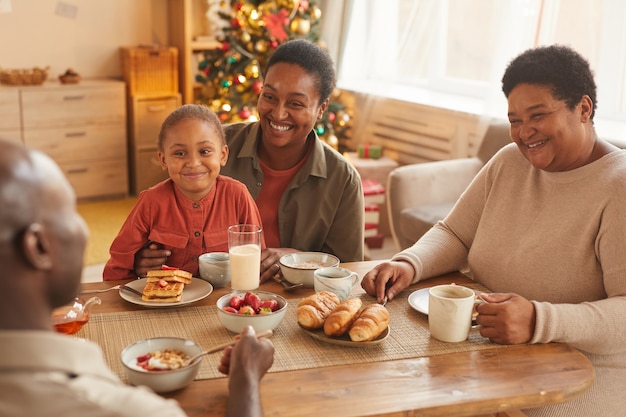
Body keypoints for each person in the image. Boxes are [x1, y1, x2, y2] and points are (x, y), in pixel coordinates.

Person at [361, 45, 626, 416]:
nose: (524, 132)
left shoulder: (619, 185)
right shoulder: (509, 162)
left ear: (583, 109)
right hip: (485, 357)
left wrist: (537, 319)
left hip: (575, 382)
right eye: (515, 119)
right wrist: (409, 264)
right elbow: (455, 233)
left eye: (537, 115)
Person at [0, 139, 274, 417]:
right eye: (70, 211)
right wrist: (246, 378)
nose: (84, 229)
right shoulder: (121, 408)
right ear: (39, 246)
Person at [135, 39, 364, 283]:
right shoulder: (208, 150)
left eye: (296, 103)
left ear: (321, 108)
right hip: (205, 294)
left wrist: (300, 259)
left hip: (296, 302)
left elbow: (350, 270)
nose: (278, 113)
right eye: (270, 96)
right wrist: (140, 259)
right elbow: (152, 220)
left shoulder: (343, 180)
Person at [103, 104, 264, 280]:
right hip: (165, 303)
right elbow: (117, 269)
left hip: (226, 303)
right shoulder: (151, 202)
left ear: (223, 155)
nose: (193, 163)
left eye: (204, 151)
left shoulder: (238, 195)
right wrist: (136, 270)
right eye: (180, 153)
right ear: (163, 160)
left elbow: (258, 261)